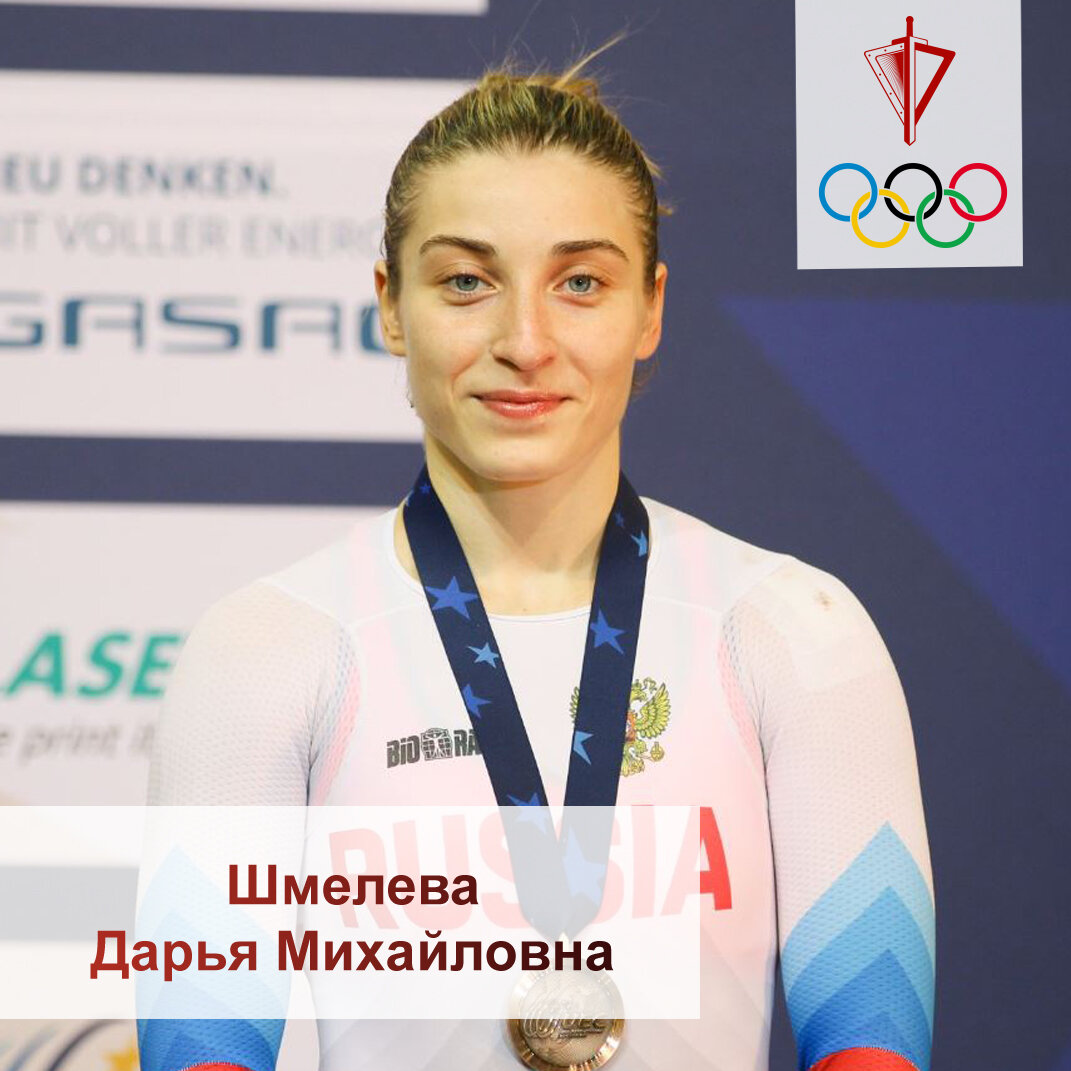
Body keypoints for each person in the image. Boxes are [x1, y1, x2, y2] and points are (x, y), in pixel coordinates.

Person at [138, 32, 935, 1071]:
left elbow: (873, 1045)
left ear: (651, 308)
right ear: (390, 306)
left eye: (581, 283)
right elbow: (201, 1044)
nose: (524, 341)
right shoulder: (263, 650)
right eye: (467, 281)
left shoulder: (796, 633)